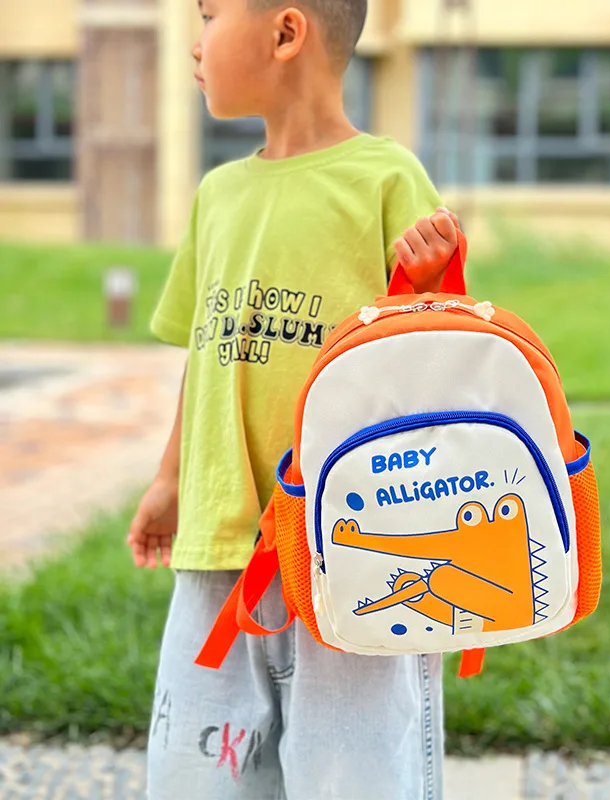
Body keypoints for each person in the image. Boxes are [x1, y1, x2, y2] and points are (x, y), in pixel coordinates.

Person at [127, 0, 461, 797]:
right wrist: (172, 478)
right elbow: (207, 354)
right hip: (218, 548)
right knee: (196, 779)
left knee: (359, 780)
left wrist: (425, 284)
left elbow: (436, 363)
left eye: (209, 15)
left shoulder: (387, 178)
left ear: (285, 32)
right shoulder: (219, 193)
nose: (195, 40)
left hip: (358, 558)